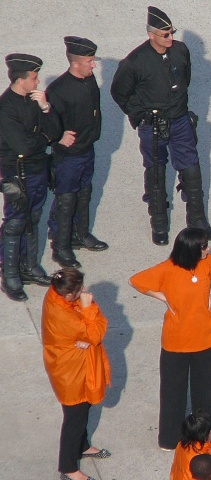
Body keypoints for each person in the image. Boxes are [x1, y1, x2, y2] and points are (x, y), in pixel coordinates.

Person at [111, 6, 211, 246]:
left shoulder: (180, 51)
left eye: (172, 33)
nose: (170, 38)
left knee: (191, 168)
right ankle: (159, 225)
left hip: (179, 119)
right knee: (156, 171)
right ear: (151, 35)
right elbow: (120, 93)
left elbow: (184, 80)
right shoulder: (134, 62)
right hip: (153, 125)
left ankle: (198, 223)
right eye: (165, 34)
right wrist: (141, 115)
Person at [130, 228, 211, 451]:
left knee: (208, 389)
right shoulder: (167, 269)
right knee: (172, 390)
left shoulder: (209, 262)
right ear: (191, 249)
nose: (208, 249)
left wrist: (210, 292)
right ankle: (170, 438)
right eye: (204, 246)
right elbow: (137, 281)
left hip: (206, 337)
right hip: (176, 341)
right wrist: (163, 297)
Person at [0, 53, 63, 301]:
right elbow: (23, 147)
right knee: (16, 222)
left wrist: (46, 108)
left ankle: (28, 266)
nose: (37, 82)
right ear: (20, 80)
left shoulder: (34, 100)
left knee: (33, 218)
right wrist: (44, 140)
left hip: (37, 169)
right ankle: (10, 274)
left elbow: (55, 132)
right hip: (17, 173)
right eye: (34, 78)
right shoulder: (6, 108)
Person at [42, 268, 112, 480]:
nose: (84, 291)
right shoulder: (62, 313)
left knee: (83, 412)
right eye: (79, 289)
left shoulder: (56, 294)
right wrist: (88, 308)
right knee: (74, 418)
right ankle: (68, 467)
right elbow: (97, 332)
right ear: (69, 294)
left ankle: (82, 445)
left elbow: (93, 330)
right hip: (71, 374)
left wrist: (87, 321)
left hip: (76, 367)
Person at [46, 36, 108, 269]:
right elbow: (47, 122)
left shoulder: (88, 80)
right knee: (66, 198)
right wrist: (57, 138)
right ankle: (60, 247)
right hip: (68, 156)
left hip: (86, 148)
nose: (93, 65)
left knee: (84, 192)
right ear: (75, 63)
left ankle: (80, 234)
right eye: (89, 61)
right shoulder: (59, 90)